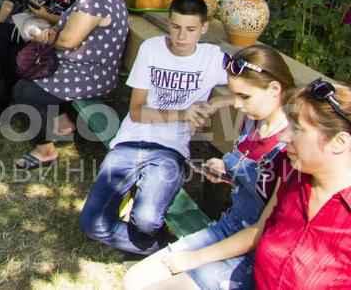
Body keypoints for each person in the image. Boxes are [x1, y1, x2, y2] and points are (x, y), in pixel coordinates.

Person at [150, 79, 351, 290]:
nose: (284, 136)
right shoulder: (293, 178)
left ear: (339, 142)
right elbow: (259, 228)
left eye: (298, 129)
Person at [124, 44, 295, 290]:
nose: (236, 104)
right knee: (134, 280)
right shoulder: (253, 120)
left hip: (253, 251)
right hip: (227, 228)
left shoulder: (289, 148)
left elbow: (262, 230)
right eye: (234, 95)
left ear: (275, 89)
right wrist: (227, 168)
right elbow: (252, 174)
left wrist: (192, 259)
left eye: (244, 96)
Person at [79, 0, 229, 255]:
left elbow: (257, 79)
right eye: (175, 27)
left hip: (169, 150)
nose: (181, 37)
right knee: (93, 225)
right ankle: (165, 249)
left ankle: (147, 233)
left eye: (191, 29)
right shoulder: (152, 48)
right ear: (168, 22)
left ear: (204, 28)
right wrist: (184, 113)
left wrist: (216, 104)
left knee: (147, 220)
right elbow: (137, 111)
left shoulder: (212, 58)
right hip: (129, 142)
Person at [13, 0, 129, 168]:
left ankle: (45, 150)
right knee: (26, 81)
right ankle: (62, 121)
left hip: (88, 74)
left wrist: (44, 37)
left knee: (26, 91)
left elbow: (68, 41)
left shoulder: (95, 0)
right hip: (92, 69)